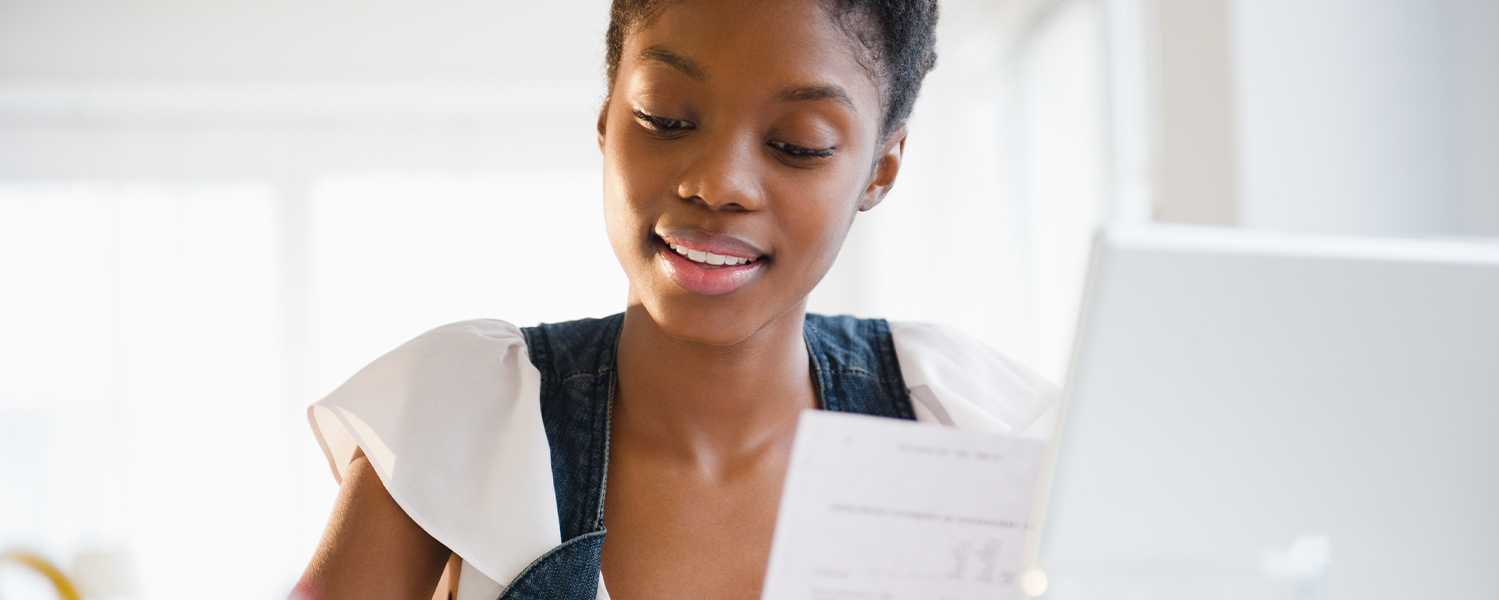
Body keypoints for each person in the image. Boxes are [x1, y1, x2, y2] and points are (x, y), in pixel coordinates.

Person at [293, 0, 1058, 598]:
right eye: (666, 117)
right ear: (607, 118)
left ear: (880, 171)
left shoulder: (965, 427)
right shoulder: (459, 416)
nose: (717, 182)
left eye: (797, 143)